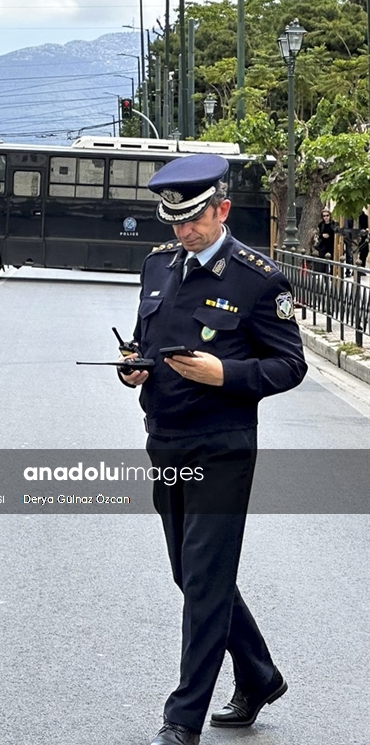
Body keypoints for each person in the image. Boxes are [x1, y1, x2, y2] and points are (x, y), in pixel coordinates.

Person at [117, 154, 308, 745]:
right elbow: (147, 343)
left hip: (222, 447)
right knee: (191, 573)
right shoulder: (157, 267)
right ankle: (258, 674)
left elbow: (289, 365)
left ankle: (182, 721)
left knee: (203, 579)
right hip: (166, 440)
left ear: (222, 210)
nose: (182, 230)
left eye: (193, 220)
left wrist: (225, 375)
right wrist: (134, 370)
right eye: (173, 221)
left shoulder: (258, 278)